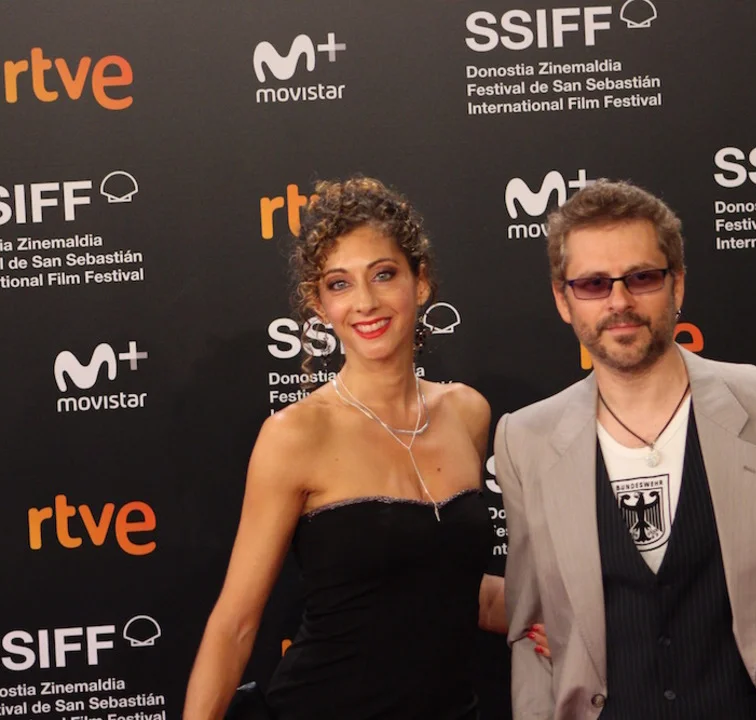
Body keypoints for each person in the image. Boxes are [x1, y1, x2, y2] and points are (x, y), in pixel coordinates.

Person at [495, 179, 756, 720]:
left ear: (677, 284)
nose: (619, 302)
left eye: (642, 277)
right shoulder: (525, 440)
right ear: (564, 300)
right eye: (593, 284)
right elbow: (530, 627)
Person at [184, 177, 516, 719]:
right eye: (340, 284)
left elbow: (451, 589)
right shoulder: (296, 434)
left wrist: (572, 611)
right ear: (320, 305)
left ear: (420, 282)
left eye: (383, 274)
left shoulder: (467, 413)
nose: (365, 302)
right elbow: (236, 624)